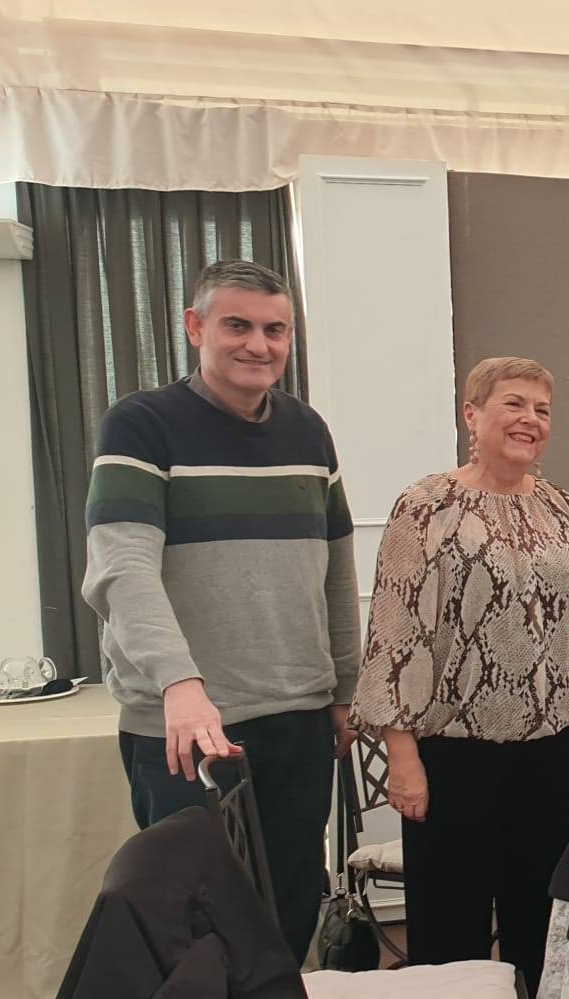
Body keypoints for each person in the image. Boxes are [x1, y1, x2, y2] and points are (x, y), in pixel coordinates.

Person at [81, 259, 357, 963]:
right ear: (195, 327)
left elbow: (336, 571)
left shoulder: (309, 432)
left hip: (297, 716)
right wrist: (181, 683)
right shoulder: (142, 425)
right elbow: (123, 568)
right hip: (185, 729)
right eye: (238, 325)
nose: (258, 345)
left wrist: (349, 691)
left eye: (276, 330)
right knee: (194, 926)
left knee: (290, 907)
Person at [352, 356, 569, 997]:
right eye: (514, 404)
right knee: (451, 916)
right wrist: (400, 758)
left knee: (543, 912)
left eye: (542, 410)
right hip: (452, 752)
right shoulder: (425, 505)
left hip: (553, 747)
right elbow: (394, 633)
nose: (530, 420)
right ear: (472, 414)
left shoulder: (560, 506)